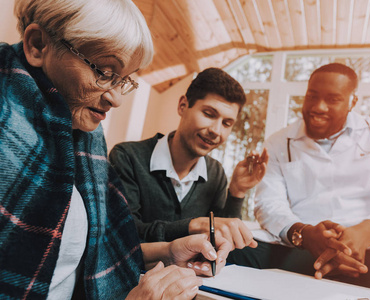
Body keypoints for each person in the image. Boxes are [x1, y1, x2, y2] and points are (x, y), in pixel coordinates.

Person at [0, 1, 231, 299]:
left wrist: (169, 252)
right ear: (38, 45)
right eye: (105, 71)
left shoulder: (80, 135)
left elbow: (78, 260)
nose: (117, 99)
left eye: (124, 80)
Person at [228, 63, 370, 299]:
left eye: (333, 99)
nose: (318, 107)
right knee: (234, 256)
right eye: (312, 96)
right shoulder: (278, 142)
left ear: (353, 102)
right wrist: (304, 233)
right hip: (302, 244)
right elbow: (268, 204)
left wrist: (360, 235)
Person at [109, 67, 269, 250]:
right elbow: (124, 233)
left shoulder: (216, 174)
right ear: (183, 106)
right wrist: (194, 225)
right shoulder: (127, 157)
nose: (216, 131)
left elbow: (222, 243)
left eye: (226, 123)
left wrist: (237, 192)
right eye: (209, 114)